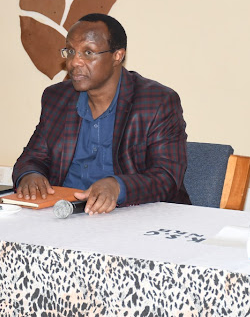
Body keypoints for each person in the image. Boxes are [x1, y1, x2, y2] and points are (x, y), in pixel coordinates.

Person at [13, 13, 190, 214]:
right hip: (65, 212)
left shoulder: (157, 101)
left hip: (133, 215)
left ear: (117, 56)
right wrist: (30, 175)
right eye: (70, 51)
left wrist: (117, 186)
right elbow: (32, 157)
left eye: (88, 53)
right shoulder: (57, 98)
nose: (74, 62)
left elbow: (167, 176)